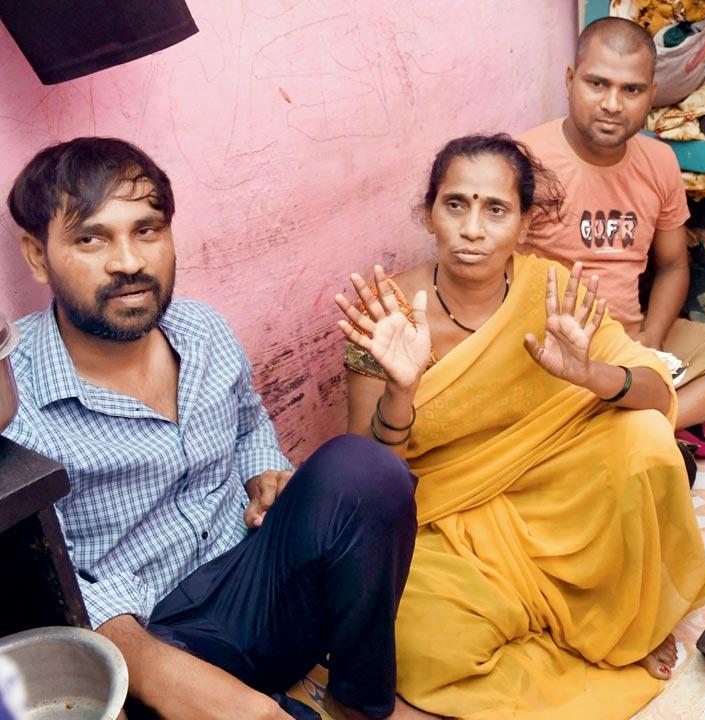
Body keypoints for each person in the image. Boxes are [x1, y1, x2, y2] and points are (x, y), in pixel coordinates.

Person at [3, 137, 418, 720]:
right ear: (37, 255)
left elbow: (249, 423)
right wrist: (154, 670)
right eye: (91, 238)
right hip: (152, 637)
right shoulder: (12, 401)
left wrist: (263, 474)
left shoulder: (201, 330)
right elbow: (46, 583)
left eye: (146, 230)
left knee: (366, 469)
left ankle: (361, 705)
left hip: (251, 578)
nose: (128, 262)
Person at [335, 134, 705, 719]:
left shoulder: (551, 291)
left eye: (496, 209)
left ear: (526, 223)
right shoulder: (389, 311)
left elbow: (659, 391)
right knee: (415, 648)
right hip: (442, 516)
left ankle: (622, 623)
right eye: (455, 204)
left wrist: (589, 374)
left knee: (644, 439)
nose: (473, 229)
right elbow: (363, 473)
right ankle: (566, 628)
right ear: (429, 213)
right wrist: (400, 391)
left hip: (553, 497)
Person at [518, 16, 705, 430]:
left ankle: (633, 423)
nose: (612, 104)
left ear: (652, 94)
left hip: (630, 338)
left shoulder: (659, 162)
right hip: (555, 347)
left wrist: (652, 340)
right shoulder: (525, 160)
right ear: (570, 81)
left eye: (632, 89)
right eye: (597, 84)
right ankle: (629, 423)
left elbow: (674, 265)